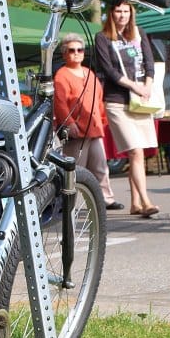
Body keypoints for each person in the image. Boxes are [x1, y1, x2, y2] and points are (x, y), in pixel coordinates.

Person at [94, 0, 160, 217]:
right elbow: (108, 70)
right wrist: (134, 86)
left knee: (137, 153)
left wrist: (147, 85)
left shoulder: (139, 33)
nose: (122, 15)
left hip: (140, 100)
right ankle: (146, 201)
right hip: (117, 100)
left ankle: (134, 202)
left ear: (131, 13)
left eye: (126, 11)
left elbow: (149, 62)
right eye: (118, 11)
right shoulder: (102, 38)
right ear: (110, 14)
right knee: (135, 150)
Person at [53, 33, 123, 210]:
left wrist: (102, 120)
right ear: (64, 53)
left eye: (80, 49)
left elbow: (99, 99)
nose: (76, 53)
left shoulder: (89, 73)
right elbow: (59, 103)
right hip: (77, 131)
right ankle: (69, 202)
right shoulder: (61, 75)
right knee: (75, 168)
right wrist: (69, 123)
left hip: (94, 129)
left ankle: (106, 198)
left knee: (101, 167)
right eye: (71, 50)